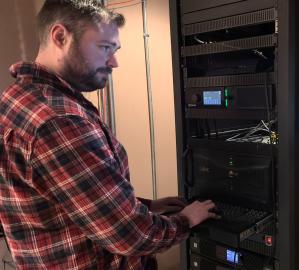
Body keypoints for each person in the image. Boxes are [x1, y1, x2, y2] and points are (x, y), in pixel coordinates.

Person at [0, 0, 217, 269]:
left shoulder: (17, 98)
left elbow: (68, 197)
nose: (114, 62)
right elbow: (129, 236)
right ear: (60, 37)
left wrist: (147, 206)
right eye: (104, 48)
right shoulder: (59, 120)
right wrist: (186, 219)